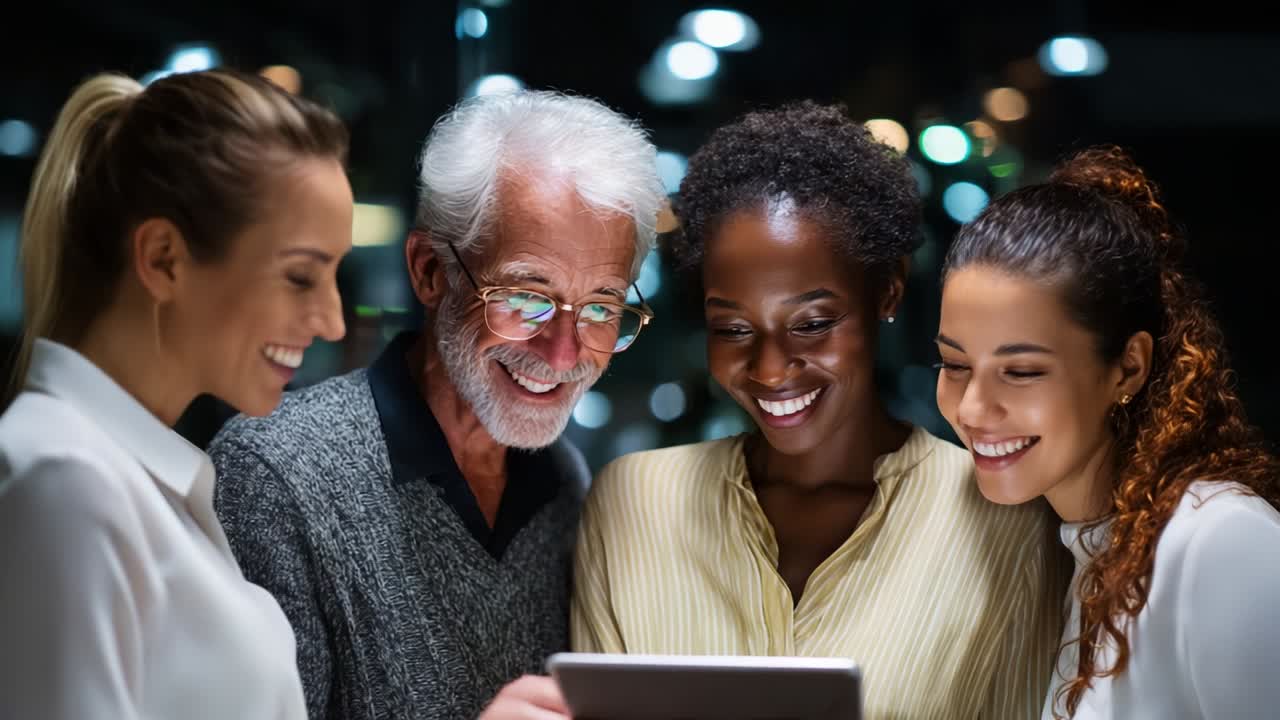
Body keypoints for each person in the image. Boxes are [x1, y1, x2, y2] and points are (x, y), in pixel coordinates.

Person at [571, 101, 1070, 719]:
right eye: (731, 327)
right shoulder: (634, 503)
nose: (771, 368)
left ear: (885, 291)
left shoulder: (1007, 521)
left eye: (812, 323)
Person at [209, 89, 665, 720]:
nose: (563, 354)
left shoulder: (562, 481)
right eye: (526, 297)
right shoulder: (274, 475)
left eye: (599, 309)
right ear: (429, 271)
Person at [0, 68, 352, 719]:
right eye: (301, 276)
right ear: (164, 258)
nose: (332, 320)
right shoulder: (65, 477)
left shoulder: (137, 484)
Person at [934, 146, 1280, 719]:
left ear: (1128, 367)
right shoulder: (1081, 554)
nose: (972, 408)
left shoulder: (1217, 542)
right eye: (954, 365)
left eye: (1020, 372)